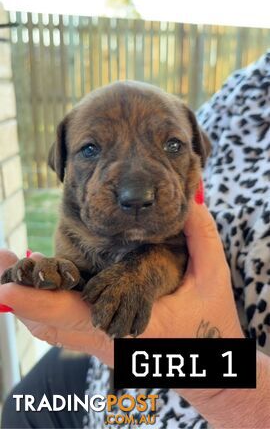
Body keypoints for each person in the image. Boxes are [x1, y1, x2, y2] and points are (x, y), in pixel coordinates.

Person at [1, 51, 270, 428]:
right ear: (63, 164)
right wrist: (57, 273)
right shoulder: (246, 84)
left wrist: (217, 383)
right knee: (19, 408)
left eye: (172, 146)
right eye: (91, 149)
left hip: (207, 395)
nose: (135, 191)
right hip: (105, 366)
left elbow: (175, 258)